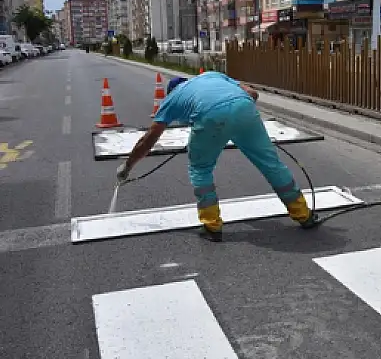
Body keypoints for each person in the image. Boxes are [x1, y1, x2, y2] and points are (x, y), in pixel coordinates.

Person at [116, 71, 321, 242]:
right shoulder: (212, 75)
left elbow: (149, 139)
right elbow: (252, 93)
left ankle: (212, 225)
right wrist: (238, 115)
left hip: (211, 117)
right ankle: (303, 214)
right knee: (271, 164)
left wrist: (127, 166)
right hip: (244, 107)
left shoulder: (172, 98)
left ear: (172, 90)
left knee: (200, 168)